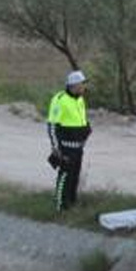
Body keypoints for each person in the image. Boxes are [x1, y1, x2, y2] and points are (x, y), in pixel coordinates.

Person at [47, 70, 91, 212]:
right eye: (82, 84)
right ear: (74, 85)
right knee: (65, 176)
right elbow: (52, 125)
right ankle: (60, 206)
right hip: (65, 147)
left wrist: (85, 135)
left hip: (78, 147)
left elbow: (82, 120)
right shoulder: (60, 99)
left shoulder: (80, 99)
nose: (84, 86)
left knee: (75, 176)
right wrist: (55, 148)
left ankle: (72, 203)